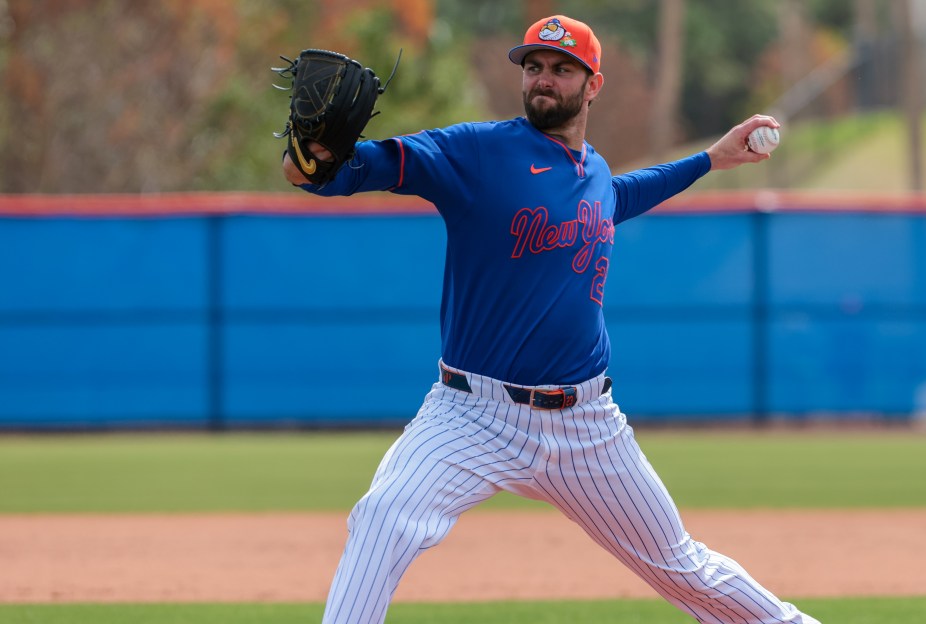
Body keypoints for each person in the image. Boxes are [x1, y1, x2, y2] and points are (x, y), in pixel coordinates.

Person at [283, 14, 821, 624]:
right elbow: (358, 170)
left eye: (562, 69)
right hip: (470, 415)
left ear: (593, 85)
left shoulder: (592, 171)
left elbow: (620, 195)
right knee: (383, 518)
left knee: (683, 566)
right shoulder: (479, 152)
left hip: (587, 425)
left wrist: (708, 161)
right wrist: (313, 163)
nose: (544, 79)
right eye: (534, 66)